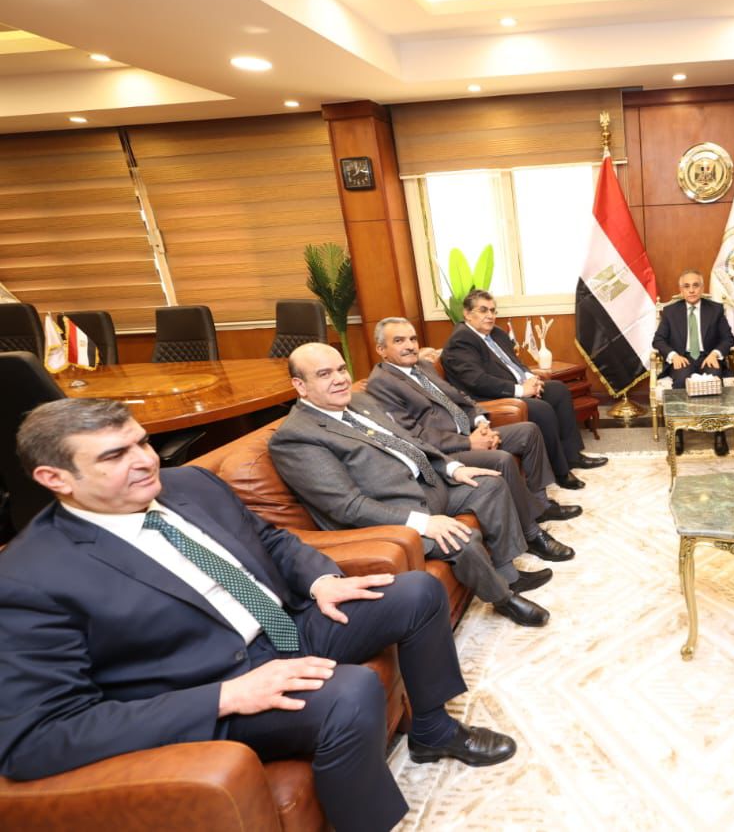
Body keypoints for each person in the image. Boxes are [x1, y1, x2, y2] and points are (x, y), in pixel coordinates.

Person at [0, 398, 515, 832]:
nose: (145, 461)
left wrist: (321, 580)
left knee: (417, 591)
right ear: (55, 477)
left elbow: (269, 538)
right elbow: (36, 739)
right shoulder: (30, 577)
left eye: (142, 442)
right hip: (215, 682)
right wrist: (226, 696)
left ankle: (432, 731)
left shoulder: (190, 484)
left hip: (285, 624)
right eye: (116, 455)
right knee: (350, 692)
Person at [270, 343, 567, 628]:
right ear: (300, 386)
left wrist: (452, 467)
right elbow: (347, 506)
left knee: (490, 485)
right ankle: (504, 599)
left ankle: (508, 575)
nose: (339, 379)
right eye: (324, 374)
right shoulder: (296, 437)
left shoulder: (358, 402)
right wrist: (423, 523)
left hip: (423, 485)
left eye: (341, 369)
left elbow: (409, 441)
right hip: (391, 515)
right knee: (460, 538)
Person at [366, 316, 582, 530]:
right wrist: (469, 443)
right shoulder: (382, 384)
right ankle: (531, 532)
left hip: (469, 432)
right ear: (381, 349)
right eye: (399, 341)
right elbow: (414, 436)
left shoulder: (423, 366)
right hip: (443, 452)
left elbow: (459, 397)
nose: (410, 346)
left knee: (529, 432)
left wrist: (480, 423)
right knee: (502, 459)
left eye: (413, 339)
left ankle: (542, 505)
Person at [442, 290, 606, 489]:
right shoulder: (460, 341)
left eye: (493, 310)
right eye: (483, 310)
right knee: (541, 409)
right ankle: (560, 471)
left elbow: (515, 363)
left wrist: (531, 379)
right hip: (487, 399)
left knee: (558, 390)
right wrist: (520, 390)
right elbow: (477, 381)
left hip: (515, 387)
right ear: (467, 314)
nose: (490, 315)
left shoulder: (496, 333)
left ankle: (572, 455)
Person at [652, 268, 734, 455]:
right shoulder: (670, 312)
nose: (691, 290)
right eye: (687, 286)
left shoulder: (715, 310)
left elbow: (728, 338)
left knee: (714, 379)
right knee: (681, 380)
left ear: (702, 288)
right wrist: (673, 356)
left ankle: (718, 432)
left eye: (695, 285)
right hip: (684, 358)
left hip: (708, 357)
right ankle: (678, 432)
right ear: (681, 290)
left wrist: (715, 353)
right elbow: (658, 340)